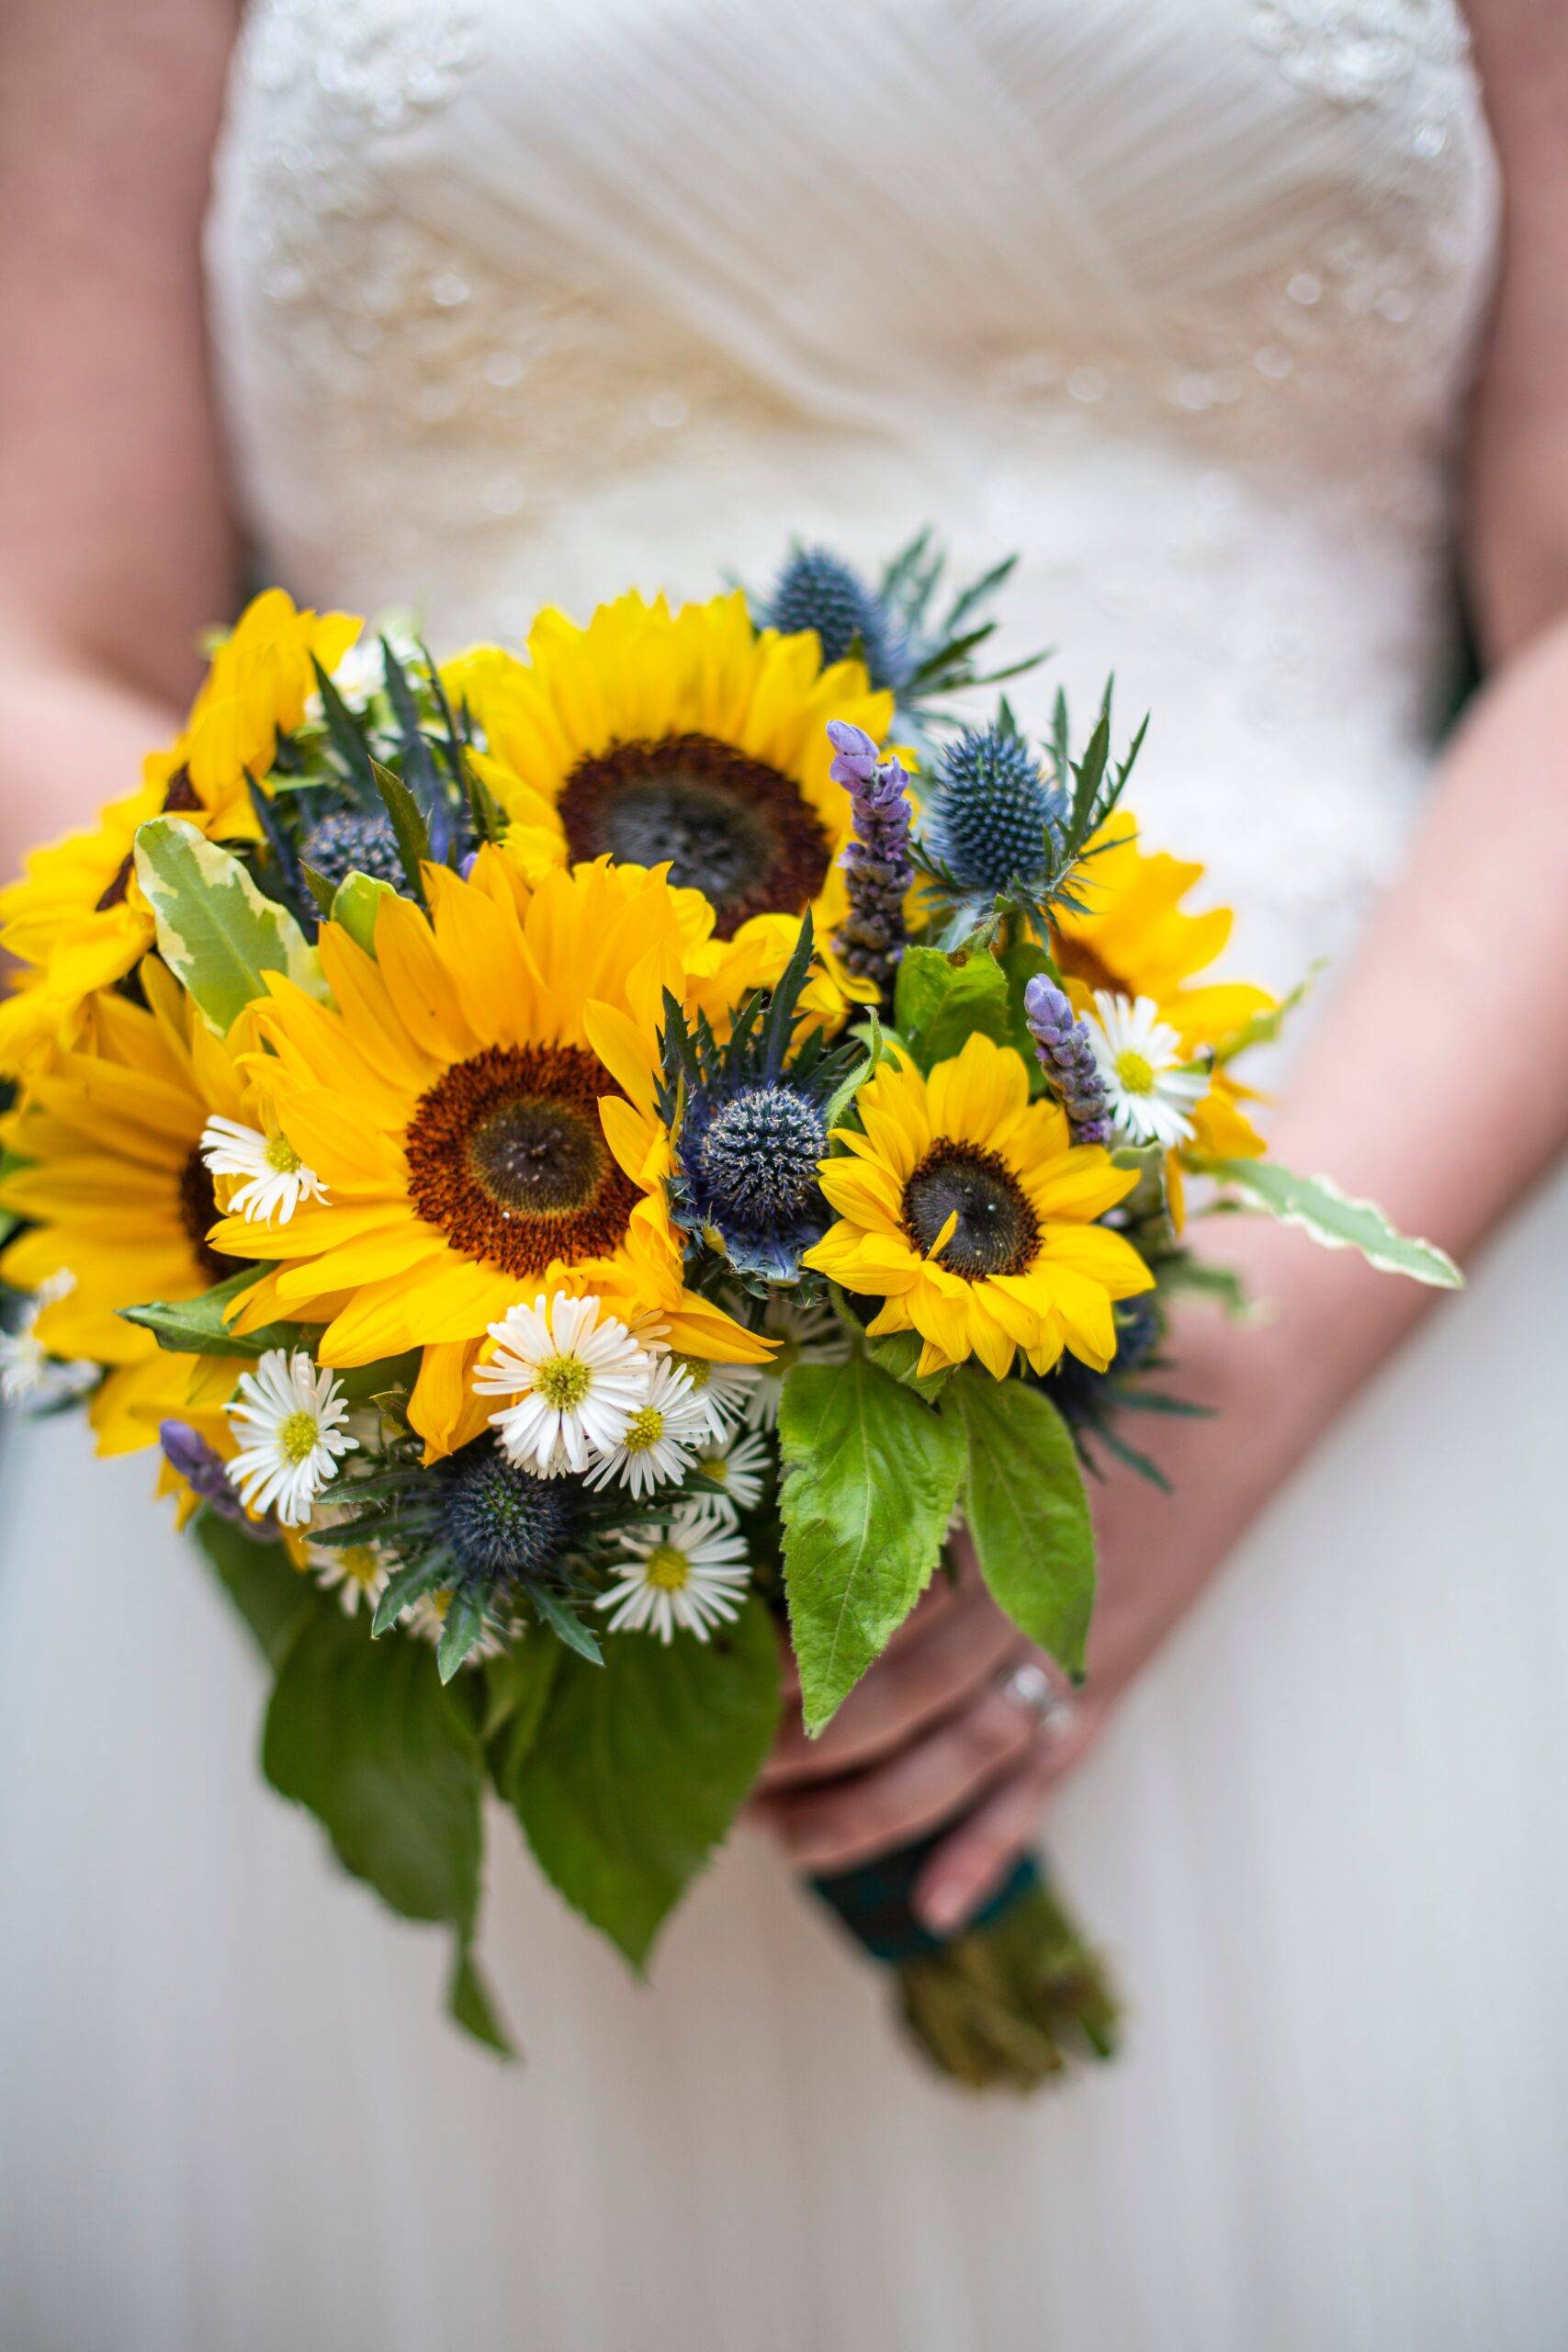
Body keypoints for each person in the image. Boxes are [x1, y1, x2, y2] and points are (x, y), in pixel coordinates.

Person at [1, 4, 1565, 2346]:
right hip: (428, 1374)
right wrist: (392, 1212)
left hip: (1347, 1313)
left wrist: (1216, 1379)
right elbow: (43, 636)